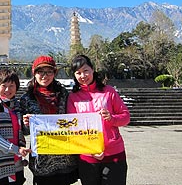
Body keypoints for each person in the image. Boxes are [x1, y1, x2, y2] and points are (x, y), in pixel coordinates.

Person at [67, 54, 130, 185]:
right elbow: (73, 128)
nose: (83, 75)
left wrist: (112, 118)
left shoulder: (109, 92)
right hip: (88, 158)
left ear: (92, 70)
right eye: (78, 73)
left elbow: (126, 117)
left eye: (86, 71)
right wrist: (89, 150)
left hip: (114, 154)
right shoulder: (73, 97)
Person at [20, 55, 79, 185]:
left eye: (49, 72)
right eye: (40, 72)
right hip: (42, 158)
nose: (44, 76)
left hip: (64, 156)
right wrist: (26, 124)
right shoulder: (27, 98)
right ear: (34, 73)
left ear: (54, 73)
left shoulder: (63, 94)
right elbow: (24, 131)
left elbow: (72, 120)